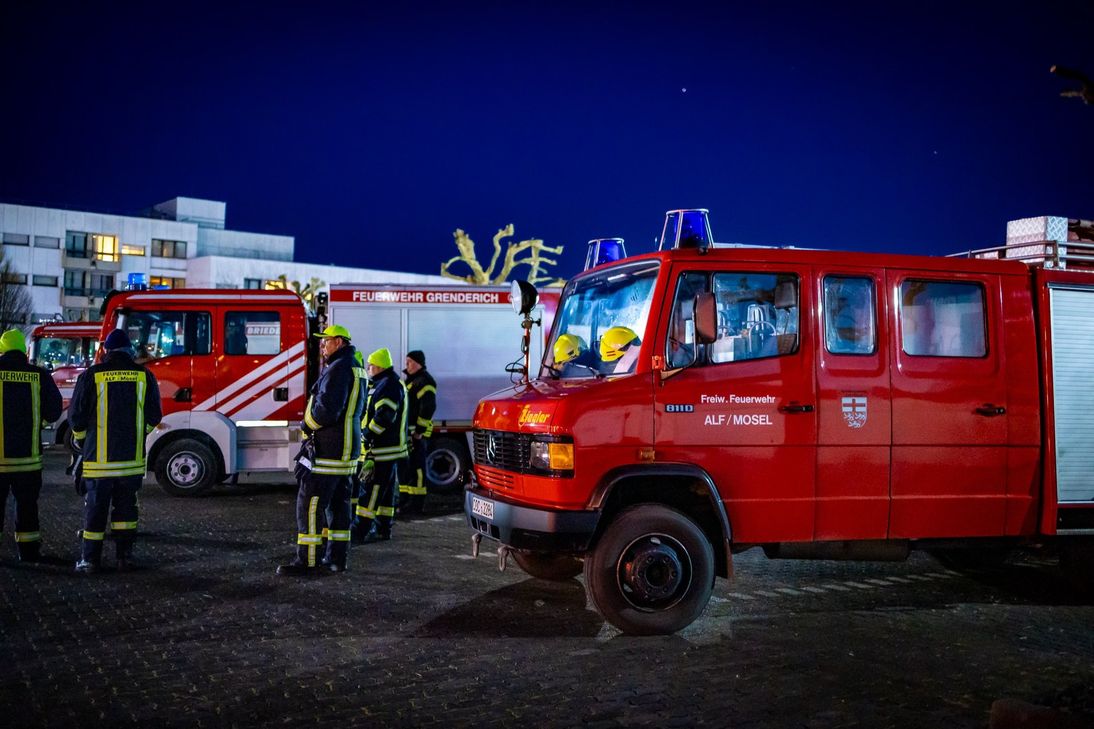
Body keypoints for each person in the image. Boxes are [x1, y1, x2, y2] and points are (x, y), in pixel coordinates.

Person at [69, 329, 162, 574]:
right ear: (129, 351)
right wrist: (139, 434)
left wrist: (81, 440)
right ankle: (124, 558)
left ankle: (90, 560)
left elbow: (77, 417)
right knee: (126, 512)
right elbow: (155, 416)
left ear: (107, 351)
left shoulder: (92, 375)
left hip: (98, 461)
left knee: (95, 511)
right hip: (130, 462)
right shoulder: (144, 376)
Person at [277, 324, 364, 576]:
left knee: (310, 505)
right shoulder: (357, 368)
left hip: (328, 452)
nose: (322, 346)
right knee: (339, 508)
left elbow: (327, 410)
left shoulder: (338, 369)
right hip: (346, 453)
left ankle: (308, 562)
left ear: (338, 342)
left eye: (325, 341)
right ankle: (337, 560)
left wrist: (307, 425)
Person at [0, 329, 63, 562]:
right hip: (28, 458)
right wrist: (37, 423)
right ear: (24, 352)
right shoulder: (39, 375)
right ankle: (28, 552)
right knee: (27, 506)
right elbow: (55, 410)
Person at [355, 348, 407, 543]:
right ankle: (384, 527)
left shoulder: (388, 385)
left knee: (371, 491)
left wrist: (367, 435)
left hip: (381, 450)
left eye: (370, 365)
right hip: (387, 450)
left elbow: (385, 416)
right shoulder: (388, 383)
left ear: (378, 366)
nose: (368, 369)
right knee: (384, 494)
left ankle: (361, 529)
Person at [399, 350, 436, 515]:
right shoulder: (413, 380)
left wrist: (419, 432)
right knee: (409, 468)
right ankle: (407, 501)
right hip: (410, 433)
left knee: (418, 469)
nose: (407, 365)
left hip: (418, 435)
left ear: (419, 363)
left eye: (410, 362)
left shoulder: (424, 381)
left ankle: (417, 504)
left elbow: (428, 407)